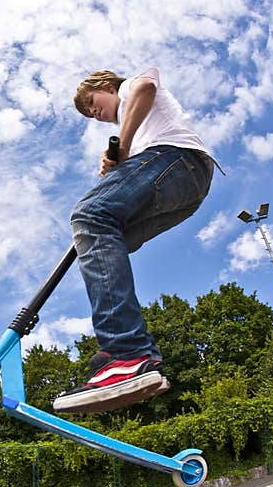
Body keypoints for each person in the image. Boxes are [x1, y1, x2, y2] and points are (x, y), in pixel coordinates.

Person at [53, 67, 221, 414]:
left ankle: (125, 351)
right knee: (107, 239)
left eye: (92, 102)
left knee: (89, 216)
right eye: (88, 114)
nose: (94, 113)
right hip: (187, 189)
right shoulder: (135, 123)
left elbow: (145, 86)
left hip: (176, 159)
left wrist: (123, 147)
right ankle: (140, 362)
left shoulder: (130, 87)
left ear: (106, 86)